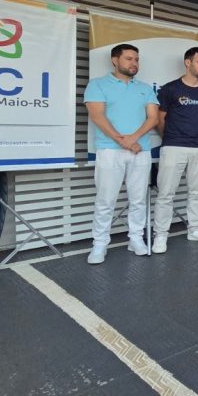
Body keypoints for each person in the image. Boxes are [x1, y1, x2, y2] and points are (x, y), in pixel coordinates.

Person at [83, 44, 159, 264]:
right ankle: (99, 244)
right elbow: (97, 116)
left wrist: (132, 139)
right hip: (109, 150)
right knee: (106, 200)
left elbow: (153, 118)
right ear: (115, 60)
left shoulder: (145, 88)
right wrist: (123, 141)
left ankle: (135, 238)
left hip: (140, 151)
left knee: (138, 199)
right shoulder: (97, 85)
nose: (134, 63)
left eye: (136, 59)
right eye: (129, 59)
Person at [152, 46, 198, 253]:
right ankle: (160, 235)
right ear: (188, 63)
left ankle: (195, 229)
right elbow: (159, 119)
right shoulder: (170, 89)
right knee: (166, 193)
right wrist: (171, 138)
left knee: (197, 192)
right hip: (173, 146)